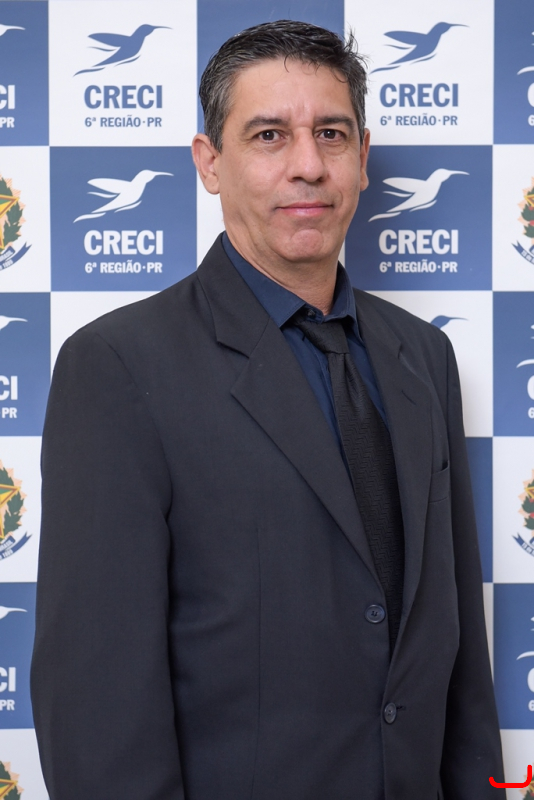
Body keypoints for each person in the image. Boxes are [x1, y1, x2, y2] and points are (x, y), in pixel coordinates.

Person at [31, 20, 505, 800]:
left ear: (363, 159)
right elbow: (97, 711)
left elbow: (456, 662)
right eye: (269, 135)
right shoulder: (117, 366)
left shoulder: (424, 356)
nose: (308, 165)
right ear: (209, 163)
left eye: (332, 134)